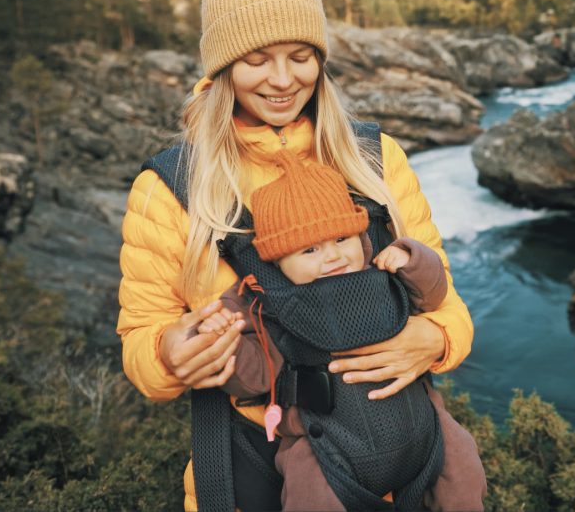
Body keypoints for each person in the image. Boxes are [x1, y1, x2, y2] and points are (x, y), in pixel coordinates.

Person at [117, 0, 478, 511]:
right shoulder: (169, 188)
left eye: (300, 55)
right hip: (257, 478)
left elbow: (444, 296)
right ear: (223, 64)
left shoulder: (374, 158)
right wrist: (167, 354)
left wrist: (437, 339)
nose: (283, 79)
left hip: (403, 466)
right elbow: (140, 338)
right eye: (257, 59)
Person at [195, 149, 486, 511]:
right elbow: (254, 379)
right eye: (310, 249)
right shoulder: (263, 300)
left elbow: (434, 295)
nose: (332, 257)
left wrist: (412, 260)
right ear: (277, 261)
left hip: (422, 430)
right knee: (312, 497)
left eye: (341, 240)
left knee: (464, 467)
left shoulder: (380, 268)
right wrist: (225, 343)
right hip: (327, 448)